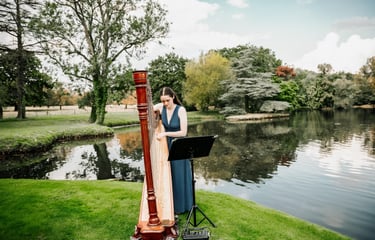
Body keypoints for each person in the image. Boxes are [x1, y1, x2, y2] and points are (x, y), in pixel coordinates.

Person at [154, 87, 193, 214]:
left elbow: (183, 132)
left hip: (179, 145)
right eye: (163, 101)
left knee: (179, 175)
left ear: (173, 97)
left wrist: (165, 134)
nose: (165, 103)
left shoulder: (181, 110)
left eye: (167, 100)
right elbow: (149, 109)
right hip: (167, 145)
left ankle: (182, 206)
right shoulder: (161, 107)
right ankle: (170, 204)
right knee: (170, 175)